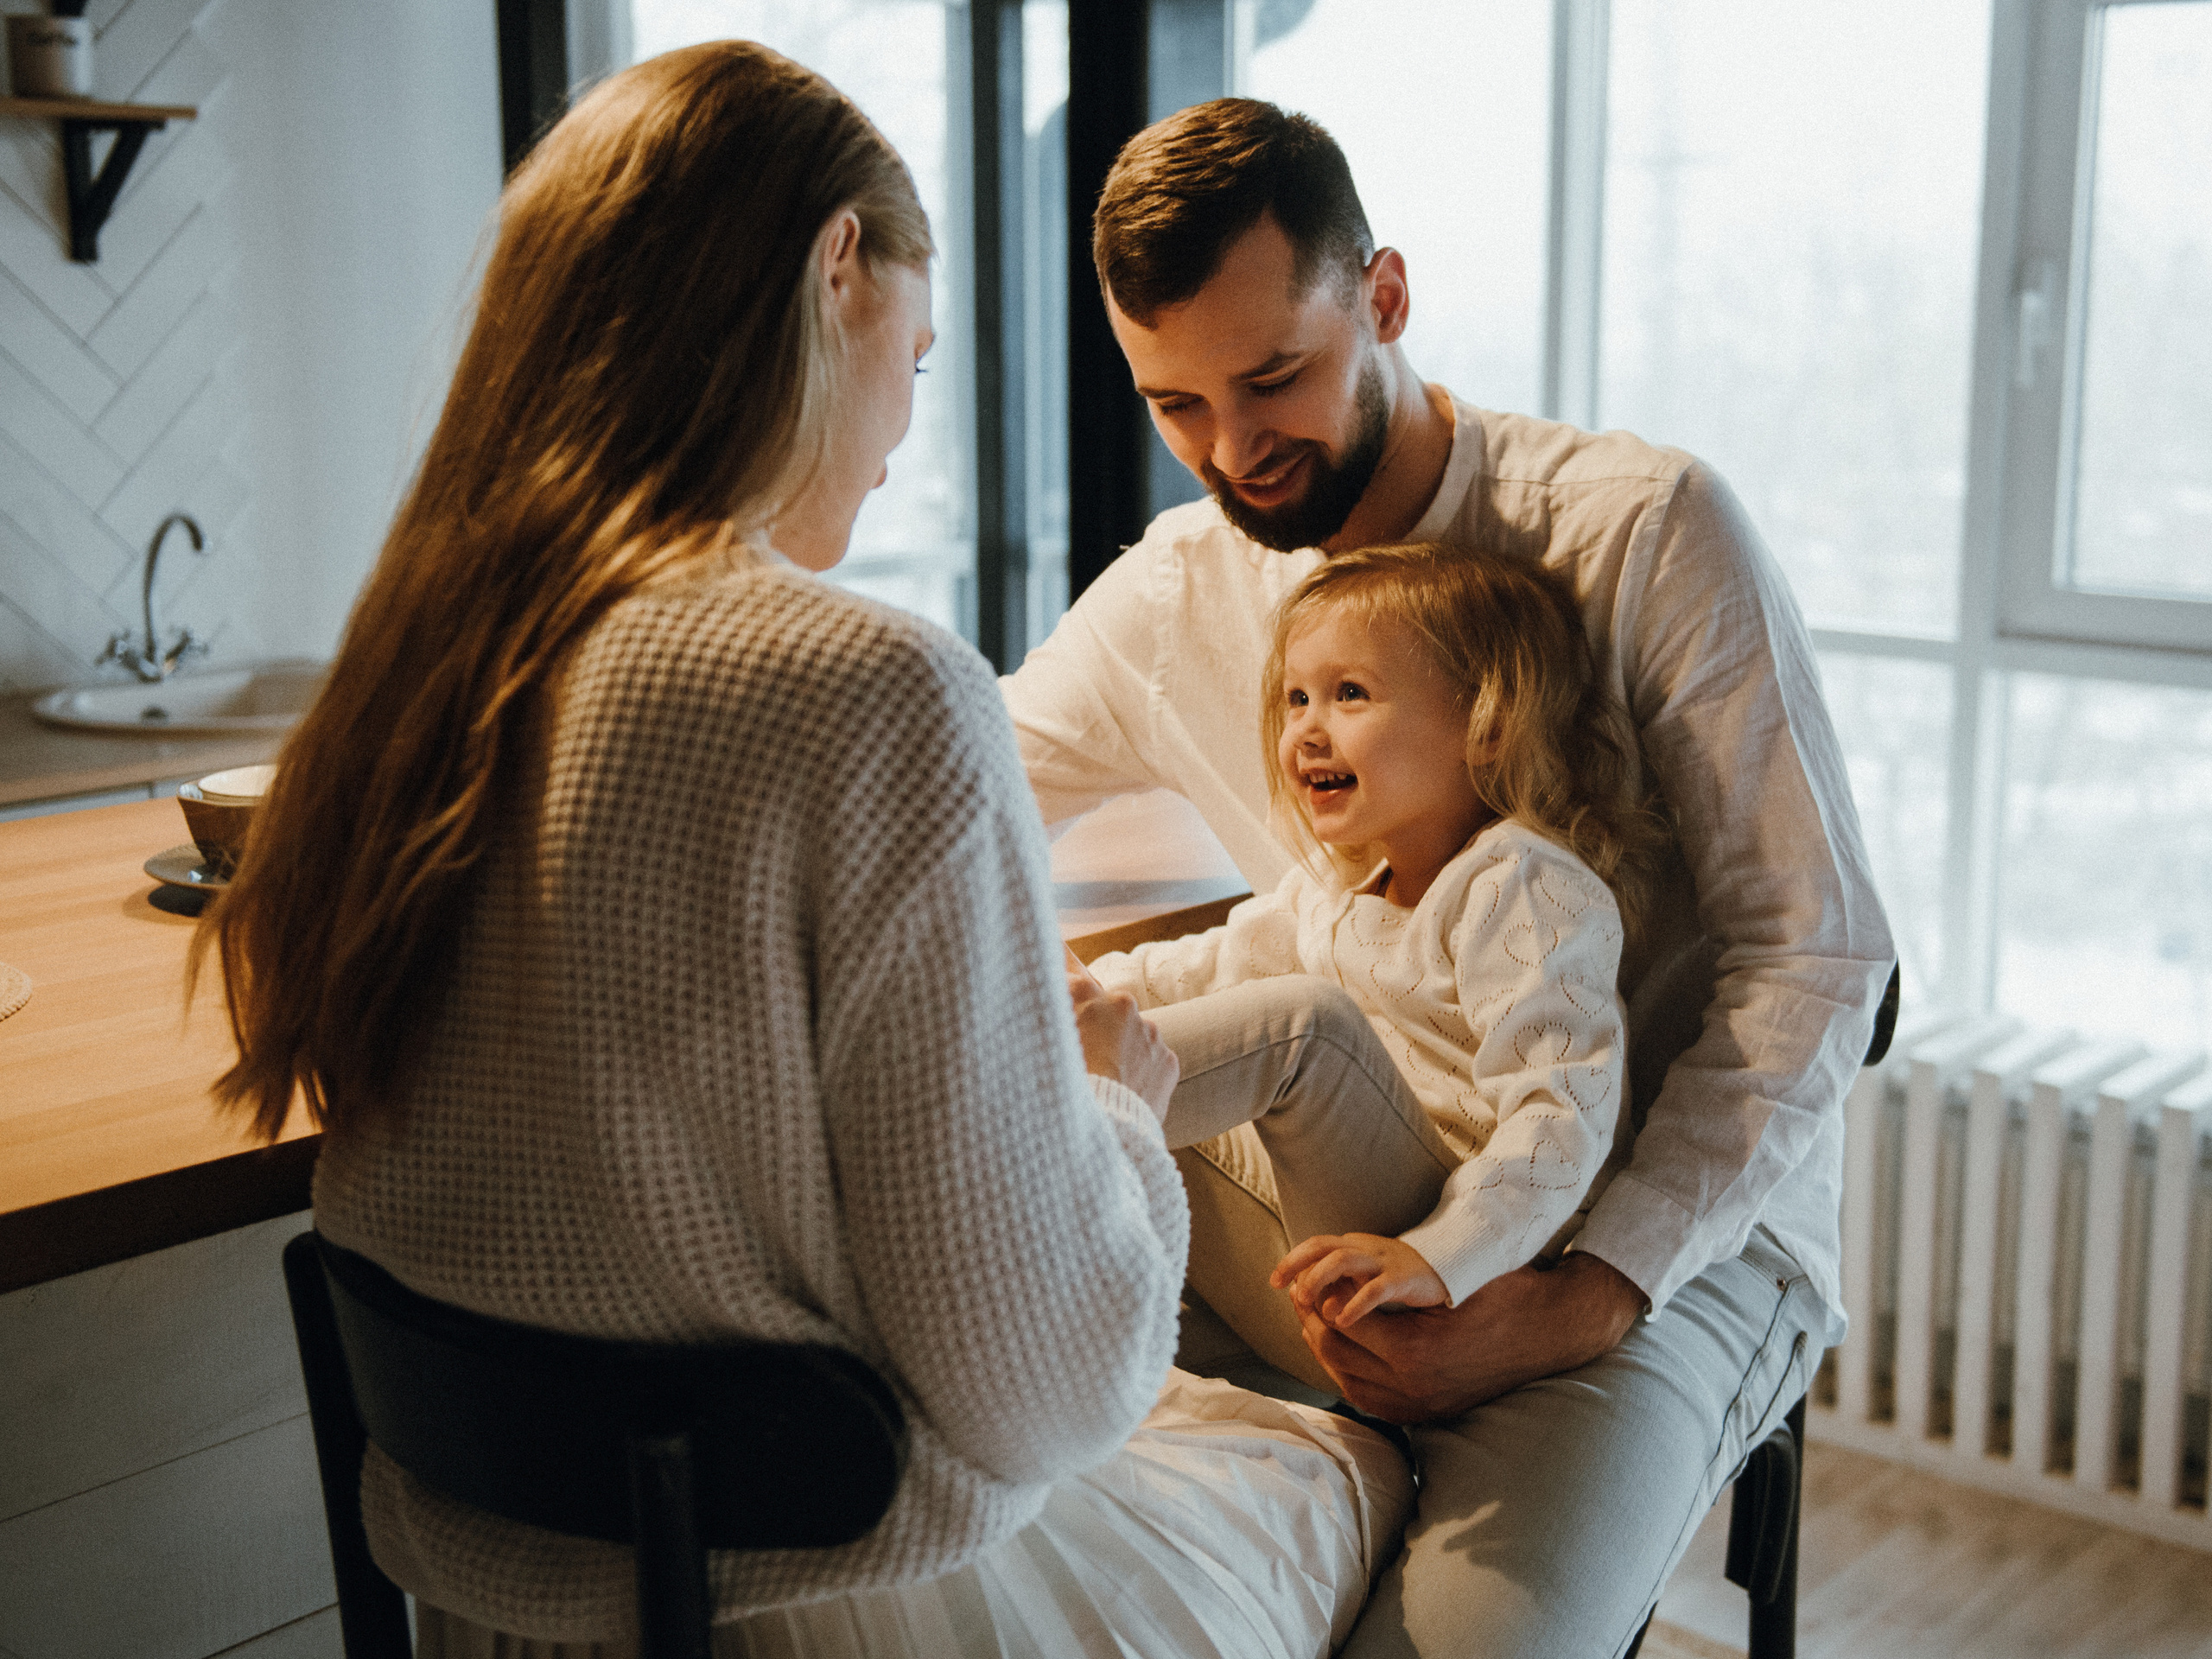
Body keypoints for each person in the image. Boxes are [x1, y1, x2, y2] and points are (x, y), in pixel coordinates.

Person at [197, 49, 1409, 1658]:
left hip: (493, 1599)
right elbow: (1037, 1390)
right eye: (914, 349)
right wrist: (1115, 1108)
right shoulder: (868, 686)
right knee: (1353, 1467)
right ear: (836, 269)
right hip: (827, 1603)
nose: (908, 423)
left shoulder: (406, 678)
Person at [1003, 97, 1896, 1657]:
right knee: (1082, 1575)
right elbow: (947, 790)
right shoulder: (1173, 592)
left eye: (1275, 377)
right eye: (1176, 404)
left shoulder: (1641, 532)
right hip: (1349, 1193)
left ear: (1387, 300)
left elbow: (1813, 960)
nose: (1234, 451)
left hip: (1644, 1247)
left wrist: (1581, 1297)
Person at [1081, 541, 1668, 1389]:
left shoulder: (1524, 886)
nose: (1306, 729)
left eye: (1348, 694)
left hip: (1440, 1271)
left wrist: (1437, 1259)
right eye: (1295, 698)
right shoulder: (1336, 891)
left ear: (1486, 725)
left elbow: (1559, 1116)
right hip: (1330, 1278)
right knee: (1147, 1071)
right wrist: (1068, 991)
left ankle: (997, 1111)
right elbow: (1195, 972)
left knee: (1303, 1028)